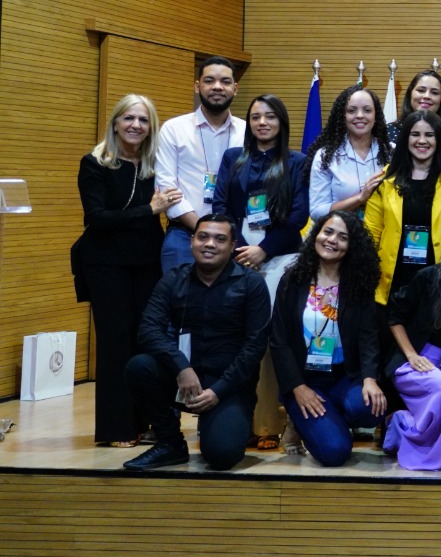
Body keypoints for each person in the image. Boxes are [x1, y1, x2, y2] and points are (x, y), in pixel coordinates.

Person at [123, 215, 270, 471]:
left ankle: (218, 423)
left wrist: (218, 392)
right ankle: (170, 443)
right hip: (185, 381)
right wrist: (182, 367)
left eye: (220, 239)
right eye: (203, 237)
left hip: (228, 386)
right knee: (139, 367)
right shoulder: (173, 279)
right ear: (192, 241)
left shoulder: (251, 284)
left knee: (222, 456)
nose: (209, 244)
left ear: (233, 245)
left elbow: (254, 347)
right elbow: (148, 329)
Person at [78, 94, 177, 447]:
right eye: (129, 118)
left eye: (144, 120)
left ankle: (148, 421)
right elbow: (97, 219)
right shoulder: (95, 163)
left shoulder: (156, 166)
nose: (136, 125)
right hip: (107, 265)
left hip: (148, 263)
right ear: (116, 122)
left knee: (146, 341)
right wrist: (149, 210)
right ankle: (116, 428)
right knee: (116, 343)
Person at [213, 93, 311, 450]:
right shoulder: (232, 159)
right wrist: (242, 250)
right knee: (242, 339)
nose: (262, 123)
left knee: (274, 341)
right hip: (237, 258)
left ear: (281, 123)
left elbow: (299, 216)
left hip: (282, 259)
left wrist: (263, 250)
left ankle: (273, 423)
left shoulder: (297, 161)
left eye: (270, 117)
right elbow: (221, 206)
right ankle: (242, 418)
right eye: (255, 117)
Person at [270, 211, 386, 467]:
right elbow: (279, 341)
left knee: (370, 408)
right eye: (328, 232)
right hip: (304, 380)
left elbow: (368, 336)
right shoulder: (293, 279)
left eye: (343, 237)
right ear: (316, 235)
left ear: (351, 246)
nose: (332, 240)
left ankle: (324, 420)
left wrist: (369, 379)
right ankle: (299, 420)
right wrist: (298, 389)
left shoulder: (358, 284)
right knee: (335, 453)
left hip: (343, 376)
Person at [384, 221, 441, 471]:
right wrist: (411, 354)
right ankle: (426, 459)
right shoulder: (429, 277)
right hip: (417, 362)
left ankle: (402, 423)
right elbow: (395, 316)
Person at [365, 110, 441, 304]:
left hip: (438, 282)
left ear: (439, 140)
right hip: (391, 282)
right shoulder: (385, 179)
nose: (422, 141)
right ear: (406, 139)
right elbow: (371, 233)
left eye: (429, 135)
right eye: (415, 134)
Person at [154, 56, 245, 270]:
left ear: (235, 88)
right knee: (180, 301)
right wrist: (205, 230)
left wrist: (225, 235)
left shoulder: (247, 132)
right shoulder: (174, 129)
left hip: (237, 238)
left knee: (230, 302)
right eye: (209, 80)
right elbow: (167, 188)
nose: (217, 87)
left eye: (225, 81)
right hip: (183, 235)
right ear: (197, 86)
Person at [306, 85, 391, 221]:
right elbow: (317, 212)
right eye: (351, 111)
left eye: (367, 110)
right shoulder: (326, 156)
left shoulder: (393, 152)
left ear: (376, 116)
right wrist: (360, 198)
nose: (360, 116)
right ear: (343, 116)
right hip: (340, 237)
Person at [387, 69, 441, 144]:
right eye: (421, 90)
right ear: (410, 94)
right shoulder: (389, 132)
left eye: (434, 92)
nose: (427, 96)